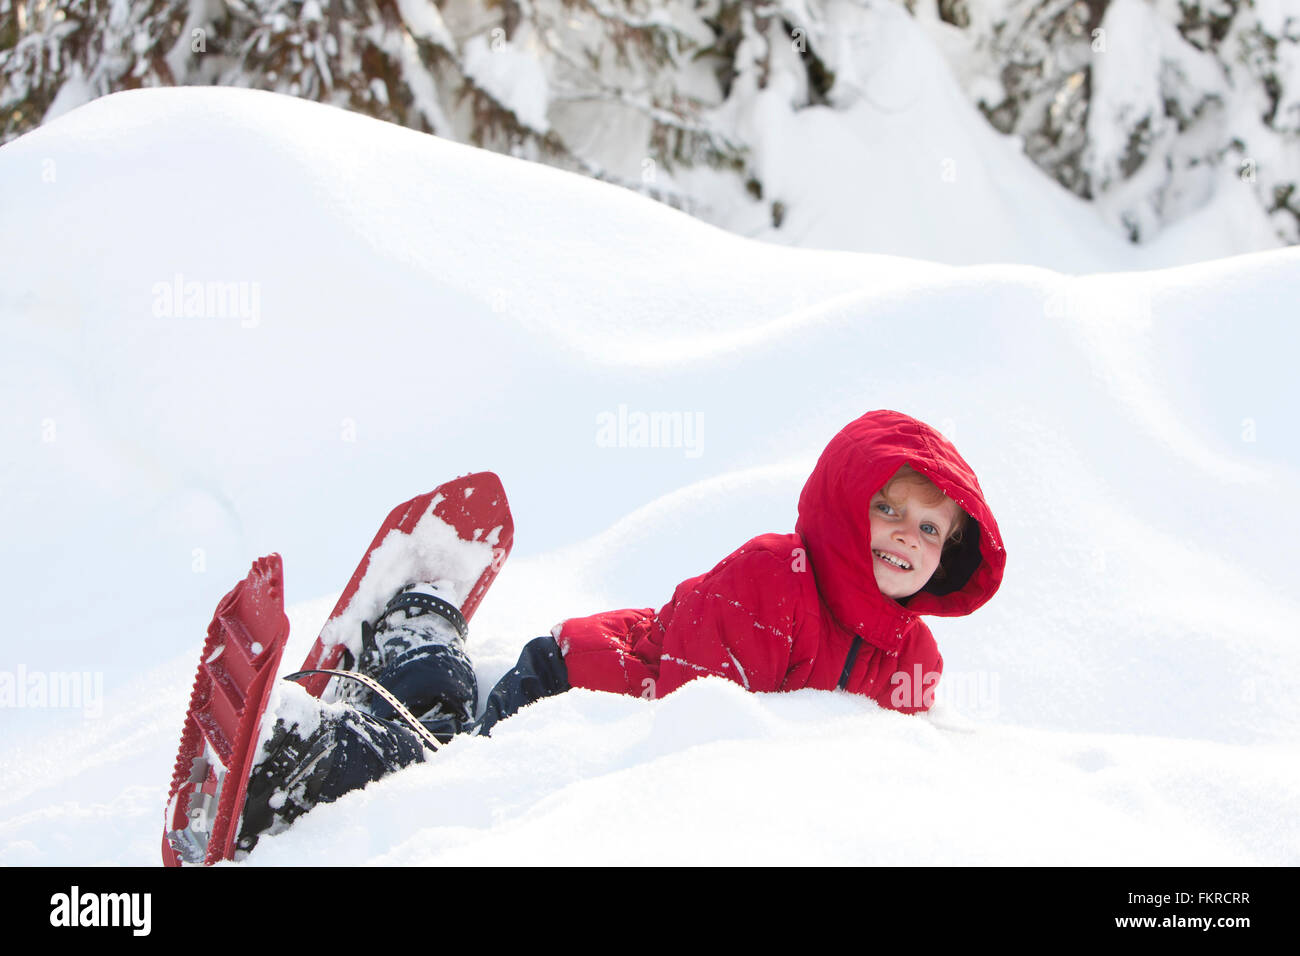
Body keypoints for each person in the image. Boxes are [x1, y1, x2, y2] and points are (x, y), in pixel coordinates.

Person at [236, 408, 1006, 853]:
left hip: (617, 737)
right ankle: (315, 747)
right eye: (889, 509)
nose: (907, 536)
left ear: (945, 558)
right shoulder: (776, 577)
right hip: (578, 689)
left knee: (451, 728)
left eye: (931, 530)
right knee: (445, 764)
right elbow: (690, 713)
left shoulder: (912, 658)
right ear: (846, 503)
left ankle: (420, 634)